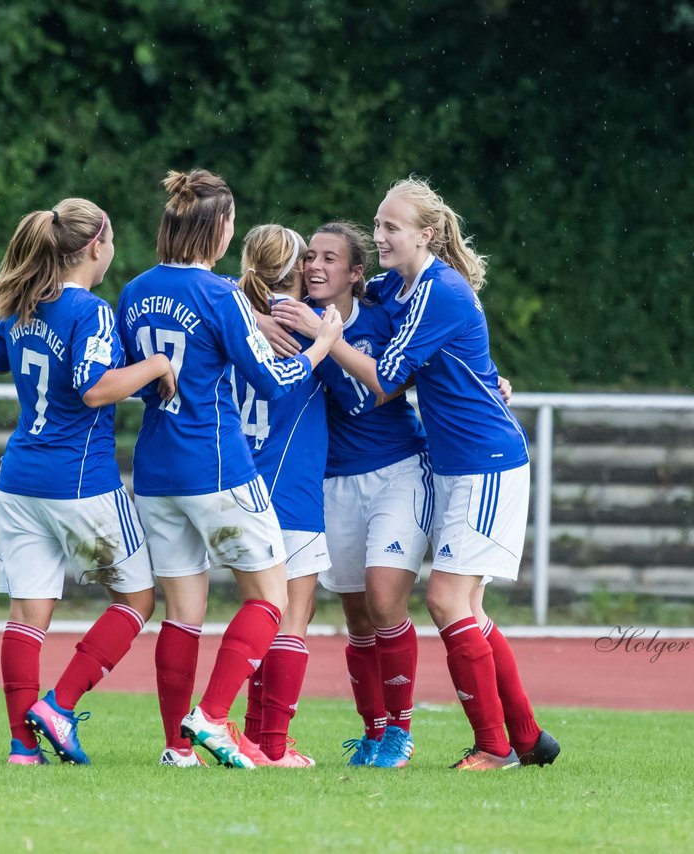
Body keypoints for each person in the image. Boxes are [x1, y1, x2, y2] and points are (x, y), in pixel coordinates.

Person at [276, 179, 560, 770]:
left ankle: (493, 747)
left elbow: (383, 380)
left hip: (485, 460)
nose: (379, 237)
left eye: (391, 228)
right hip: (453, 462)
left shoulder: (438, 290)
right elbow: (364, 301)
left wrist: (320, 337)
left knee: (447, 601)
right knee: (469, 611)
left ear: (425, 235)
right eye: (377, 226)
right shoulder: (396, 286)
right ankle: (527, 737)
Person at [116, 170, 342, 769]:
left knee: (183, 612)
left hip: (156, 471)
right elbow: (274, 377)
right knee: (270, 598)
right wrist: (320, 347)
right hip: (215, 466)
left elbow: (129, 373)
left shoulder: (134, 290)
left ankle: (176, 748)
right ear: (217, 228)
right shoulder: (221, 296)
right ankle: (213, 716)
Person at [0, 197, 176, 766]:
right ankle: (60, 706)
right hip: (79, 481)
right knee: (136, 599)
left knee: (26, 615)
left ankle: (22, 747)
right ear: (98, 246)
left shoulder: (19, 304)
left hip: (19, 480)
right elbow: (95, 388)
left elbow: (1, 358)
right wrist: (158, 365)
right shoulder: (90, 310)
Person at [231, 224, 329, 767]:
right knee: (292, 617)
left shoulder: (234, 312)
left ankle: (248, 738)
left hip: (239, 482)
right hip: (289, 486)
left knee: (258, 613)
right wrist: (327, 338)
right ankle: (272, 744)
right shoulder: (305, 325)